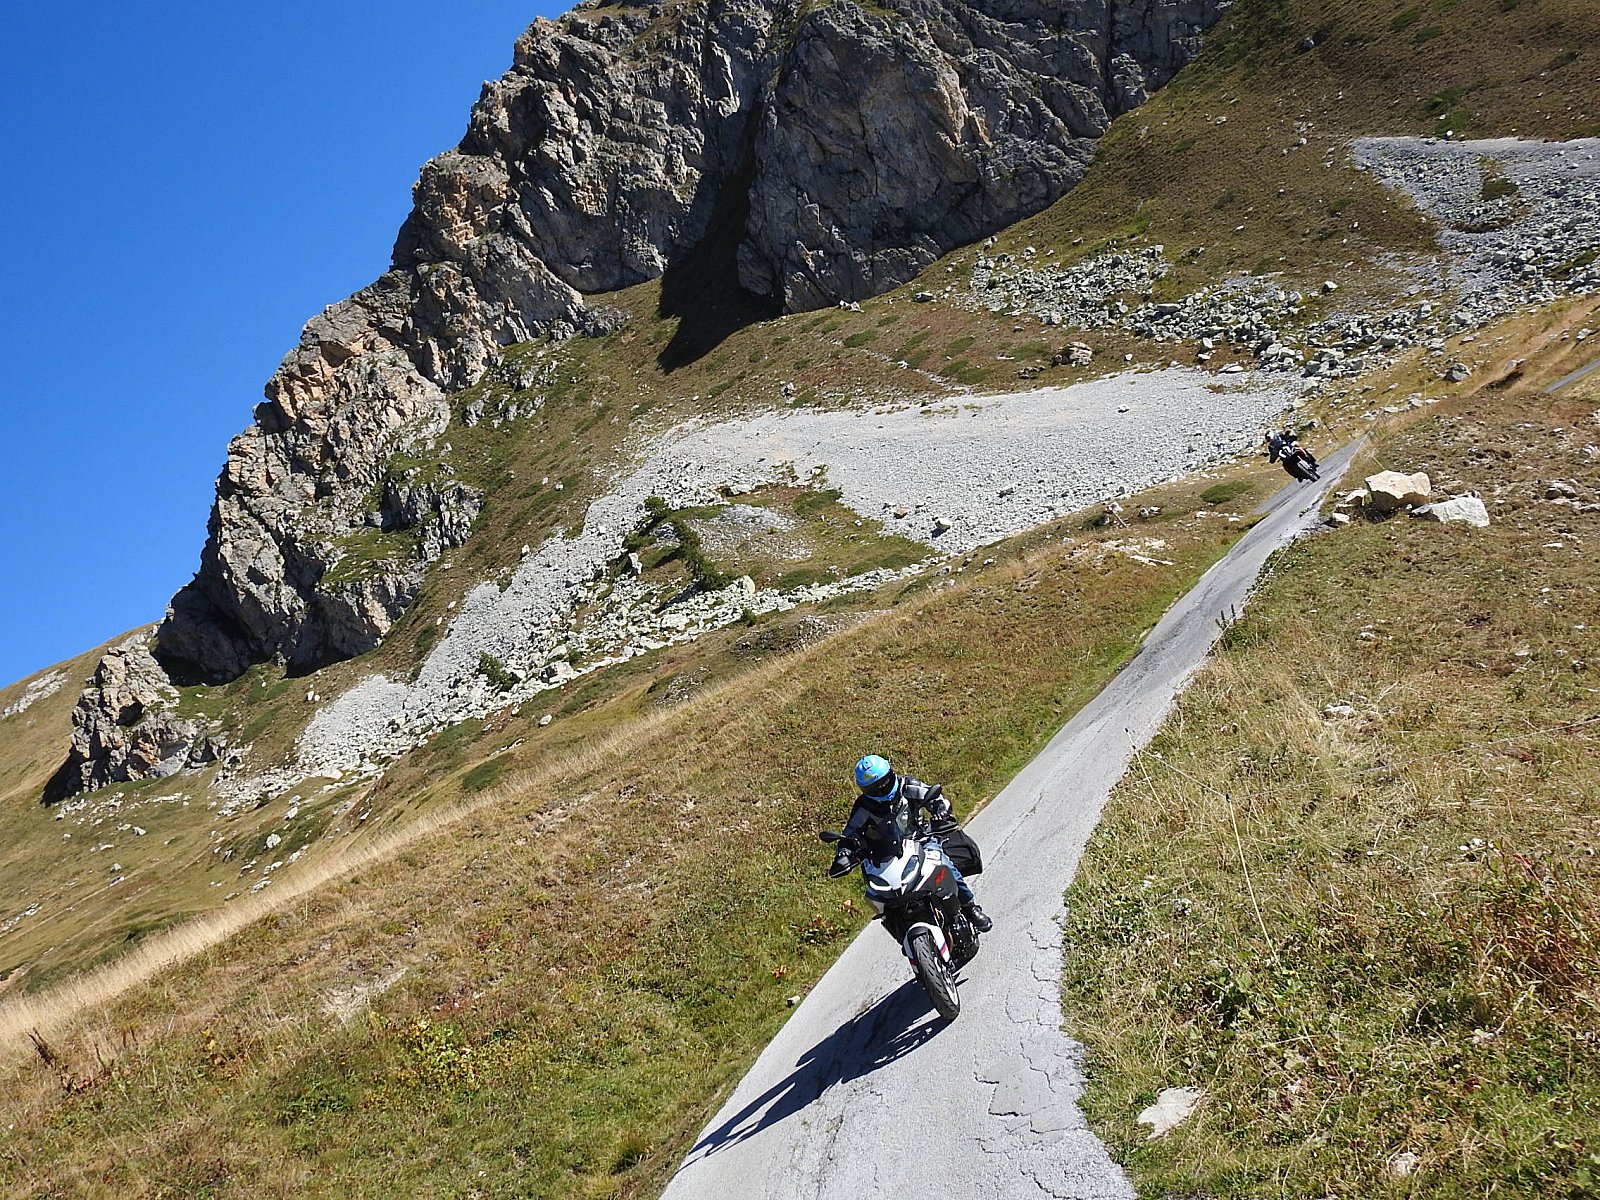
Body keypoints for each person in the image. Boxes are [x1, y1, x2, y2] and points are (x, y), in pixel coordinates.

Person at [831, 754, 992, 932]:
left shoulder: (907, 786)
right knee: (878, 896)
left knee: (946, 866)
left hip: (921, 841)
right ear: (864, 789)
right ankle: (898, 926)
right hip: (885, 857)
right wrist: (844, 853)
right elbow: (849, 834)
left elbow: (937, 798)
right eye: (874, 788)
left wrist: (941, 810)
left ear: (891, 774)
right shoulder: (863, 807)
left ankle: (970, 908)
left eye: (884, 783)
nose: (881, 789)